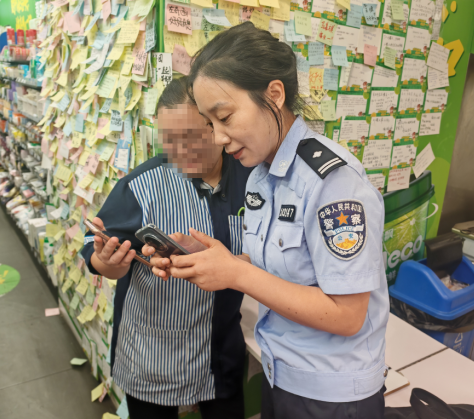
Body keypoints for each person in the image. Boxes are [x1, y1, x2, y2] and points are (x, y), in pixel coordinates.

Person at [149, 22, 389, 419]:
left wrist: (236, 274)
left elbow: (348, 315)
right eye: (210, 124)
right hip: (281, 375)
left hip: (332, 396)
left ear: (274, 95)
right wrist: (214, 262)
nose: (218, 138)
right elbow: (278, 268)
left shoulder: (333, 183)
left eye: (225, 117)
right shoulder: (262, 173)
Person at [80, 76, 253, 419]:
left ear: (217, 126)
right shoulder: (142, 186)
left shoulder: (251, 178)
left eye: (190, 137)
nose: (179, 152)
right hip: (153, 355)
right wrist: (107, 263)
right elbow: (96, 251)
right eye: (169, 141)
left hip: (222, 354)